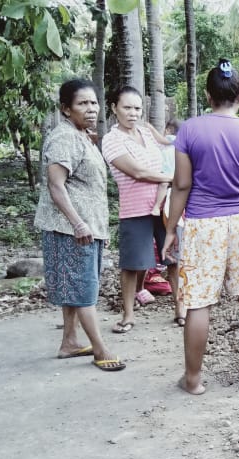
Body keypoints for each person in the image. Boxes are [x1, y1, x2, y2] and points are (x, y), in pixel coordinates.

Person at [162, 58, 239, 395]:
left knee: (198, 302)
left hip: (203, 223)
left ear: (207, 95)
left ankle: (194, 380)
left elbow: (181, 185)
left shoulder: (190, 131)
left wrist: (171, 229)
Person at [34, 78, 124, 371]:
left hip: (87, 226)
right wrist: (78, 224)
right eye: (82, 104)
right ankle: (100, 349)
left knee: (78, 287)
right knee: (84, 289)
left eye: (93, 103)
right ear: (65, 109)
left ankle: (70, 342)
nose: (90, 109)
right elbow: (55, 185)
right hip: (69, 228)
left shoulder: (82, 135)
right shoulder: (64, 137)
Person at [101, 86, 183, 333]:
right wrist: (170, 178)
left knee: (173, 259)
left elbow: (161, 157)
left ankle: (180, 309)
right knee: (132, 263)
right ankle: (128, 315)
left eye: (137, 108)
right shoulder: (111, 140)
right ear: (115, 108)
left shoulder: (147, 133)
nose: (133, 113)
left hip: (165, 206)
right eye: (127, 107)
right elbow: (136, 171)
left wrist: (166, 181)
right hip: (135, 209)